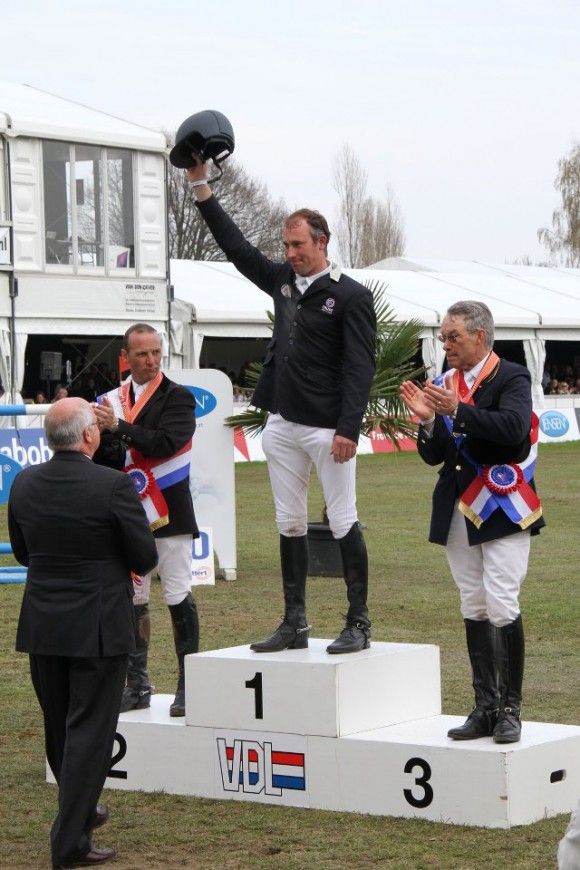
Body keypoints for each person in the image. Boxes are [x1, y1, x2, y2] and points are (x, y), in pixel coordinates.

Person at [186, 157, 376, 654]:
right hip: (282, 421)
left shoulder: (351, 296)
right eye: (286, 245)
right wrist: (202, 187)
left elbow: (360, 367)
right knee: (288, 522)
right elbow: (235, 247)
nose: (289, 253)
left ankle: (358, 622)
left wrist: (349, 428)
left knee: (342, 520)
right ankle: (295, 622)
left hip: (328, 427)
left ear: (322, 243)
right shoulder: (282, 282)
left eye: (298, 244)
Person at [10, 397, 157, 869]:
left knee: (60, 728)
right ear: (90, 436)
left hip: (44, 624)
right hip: (97, 626)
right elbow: (144, 557)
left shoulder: (25, 481)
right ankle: (68, 841)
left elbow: (22, 552)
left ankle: (80, 814)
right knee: (90, 734)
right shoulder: (112, 485)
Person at [400, 301, 544, 744]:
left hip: (502, 507)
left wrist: (458, 411)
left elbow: (513, 430)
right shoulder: (444, 382)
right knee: (473, 604)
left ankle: (511, 709)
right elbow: (435, 456)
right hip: (458, 506)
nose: (445, 345)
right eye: (443, 337)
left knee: (502, 601)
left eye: (453, 336)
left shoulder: (512, 376)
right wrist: (428, 423)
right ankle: (484, 706)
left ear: (479, 336)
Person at [93, 323, 200, 715]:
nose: (152, 361)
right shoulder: (109, 400)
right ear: (126, 357)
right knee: (135, 599)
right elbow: (103, 456)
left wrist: (117, 427)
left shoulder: (179, 397)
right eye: (142, 354)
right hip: (126, 514)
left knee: (177, 595)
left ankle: (189, 685)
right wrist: (105, 436)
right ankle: (137, 684)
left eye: (156, 352)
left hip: (169, 511)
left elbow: (165, 443)